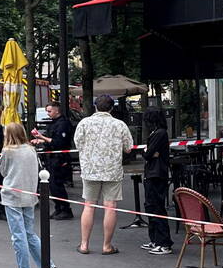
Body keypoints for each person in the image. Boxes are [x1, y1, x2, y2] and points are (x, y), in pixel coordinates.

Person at [0, 122, 59, 268]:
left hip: (12, 195)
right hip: (30, 195)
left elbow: (3, 171)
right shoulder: (31, 150)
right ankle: (49, 267)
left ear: (9, 135)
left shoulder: (8, 151)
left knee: (18, 236)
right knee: (29, 233)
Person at [73, 95, 133, 254]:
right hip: (112, 170)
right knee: (111, 206)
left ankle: (84, 244)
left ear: (95, 106)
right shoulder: (119, 124)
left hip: (90, 170)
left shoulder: (84, 123)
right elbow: (128, 148)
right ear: (112, 108)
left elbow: (78, 144)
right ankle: (107, 246)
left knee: (89, 205)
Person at [31, 103, 74, 219]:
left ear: (57, 111)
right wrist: (39, 141)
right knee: (52, 185)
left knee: (57, 184)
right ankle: (58, 208)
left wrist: (42, 137)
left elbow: (58, 142)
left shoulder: (63, 124)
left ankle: (66, 209)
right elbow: (50, 139)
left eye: (49, 111)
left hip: (59, 158)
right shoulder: (53, 123)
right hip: (51, 157)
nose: (48, 114)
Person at [139, 108, 174, 255]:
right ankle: (155, 239)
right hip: (153, 173)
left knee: (157, 207)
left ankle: (164, 242)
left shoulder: (159, 134)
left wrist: (148, 152)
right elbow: (151, 153)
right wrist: (150, 152)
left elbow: (147, 154)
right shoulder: (158, 133)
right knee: (151, 206)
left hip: (156, 174)